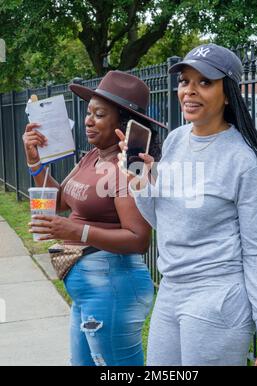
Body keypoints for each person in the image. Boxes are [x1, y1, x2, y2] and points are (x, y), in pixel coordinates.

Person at [116, 43, 257, 366]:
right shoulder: (176, 141)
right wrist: (139, 180)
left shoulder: (244, 161)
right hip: (170, 292)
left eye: (204, 82)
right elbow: (162, 220)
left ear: (228, 93)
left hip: (216, 300)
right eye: (184, 81)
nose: (189, 91)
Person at [23, 70, 166, 366]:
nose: (88, 121)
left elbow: (139, 239)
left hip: (113, 289)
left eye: (99, 115)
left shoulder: (128, 169)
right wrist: (35, 161)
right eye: (89, 113)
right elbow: (59, 200)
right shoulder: (93, 156)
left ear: (123, 123)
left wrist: (75, 230)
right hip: (89, 292)